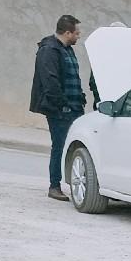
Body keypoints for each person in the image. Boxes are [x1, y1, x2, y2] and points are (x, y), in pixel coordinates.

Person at [30, 15, 86, 202]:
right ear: (68, 32)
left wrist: (80, 97)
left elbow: (73, 77)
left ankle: (75, 183)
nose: (79, 36)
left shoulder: (68, 50)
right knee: (60, 146)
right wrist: (63, 105)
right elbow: (50, 81)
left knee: (74, 146)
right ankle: (54, 186)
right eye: (77, 33)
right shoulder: (49, 50)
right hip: (61, 109)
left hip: (74, 106)